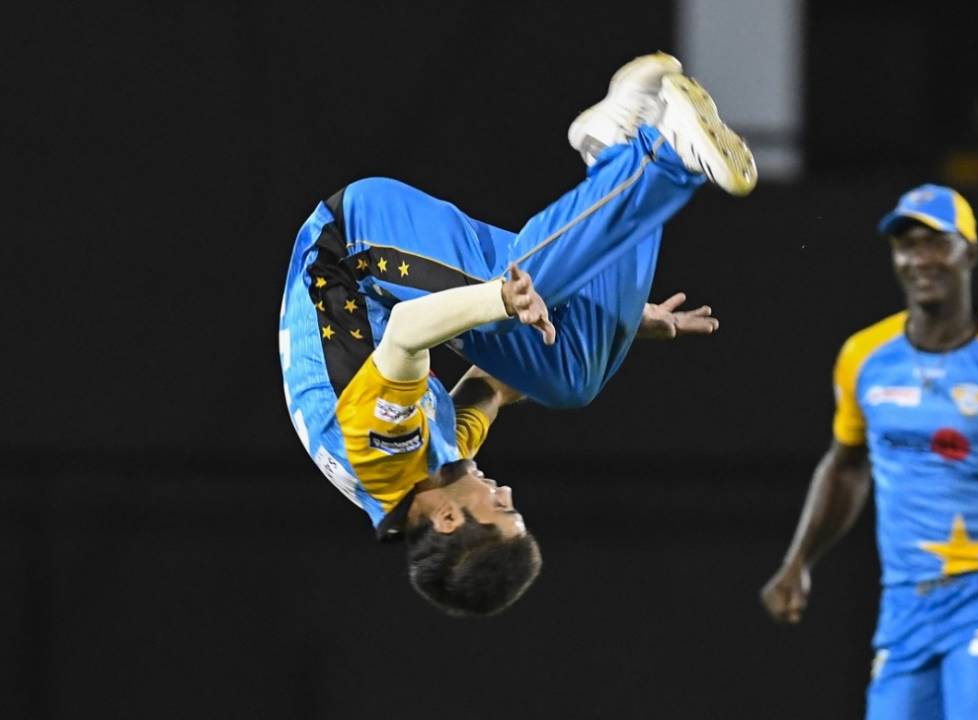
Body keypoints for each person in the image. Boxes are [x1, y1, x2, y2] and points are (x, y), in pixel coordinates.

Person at [278, 52, 756, 617]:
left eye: (502, 510)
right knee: (573, 378)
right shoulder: (442, 464)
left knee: (522, 291)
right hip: (392, 286)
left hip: (354, 247)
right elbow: (500, 383)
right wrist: (618, 324)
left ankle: (660, 152)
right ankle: (615, 143)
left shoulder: (381, 452)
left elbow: (407, 333)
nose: (505, 493)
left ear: (451, 519)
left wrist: (498, 299)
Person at [760, 185, 978, 719]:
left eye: (934, 243)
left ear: (968, 252)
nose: (919, 259)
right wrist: (798, 562)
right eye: (906, 245)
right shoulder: (864, 357)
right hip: (905, 607)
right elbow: (846, 466)